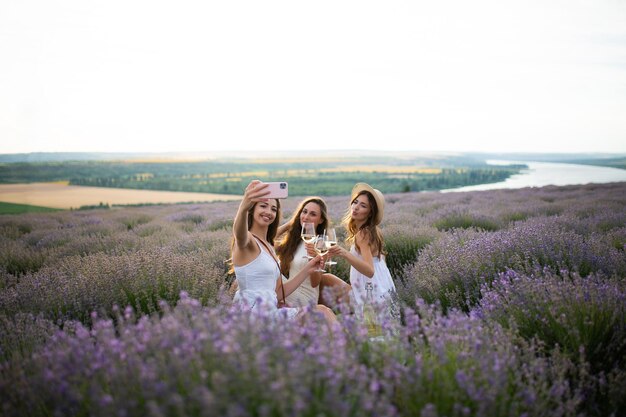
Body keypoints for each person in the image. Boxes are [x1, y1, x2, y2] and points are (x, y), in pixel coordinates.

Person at [230, 180, 336, 324]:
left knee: (323, 311)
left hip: (270, 314)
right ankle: (352, 345)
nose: (268, 212)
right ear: (252, 209)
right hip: (253, 318)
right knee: (322, 312)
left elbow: (279, 293)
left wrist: (308, 268)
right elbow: (239, 234)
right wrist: (243, 205)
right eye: (263, 206)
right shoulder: (247, 242)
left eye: (273, 209)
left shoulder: (268, 247)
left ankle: (346, 344)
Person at [326, 183, 396, 318]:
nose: (356, 207)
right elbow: (380, 260)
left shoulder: (363, 234)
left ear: (370, 213)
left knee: (372, 329)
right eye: (355, 202)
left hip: (370, 289)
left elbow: (370, 271)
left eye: (363, 206)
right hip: (380, 286)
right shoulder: (373, 231)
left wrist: (343, 253)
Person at [275, 197, 351, 308]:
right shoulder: (296, 240)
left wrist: (313, 258)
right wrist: (291, 223)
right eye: (304, 212)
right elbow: (267, 239)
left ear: (321, 220)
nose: (306, 217)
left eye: (313, 214)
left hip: (304, 298)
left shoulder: (321, 243)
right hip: (288, 290)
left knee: (266, 272)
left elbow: (315, 283)